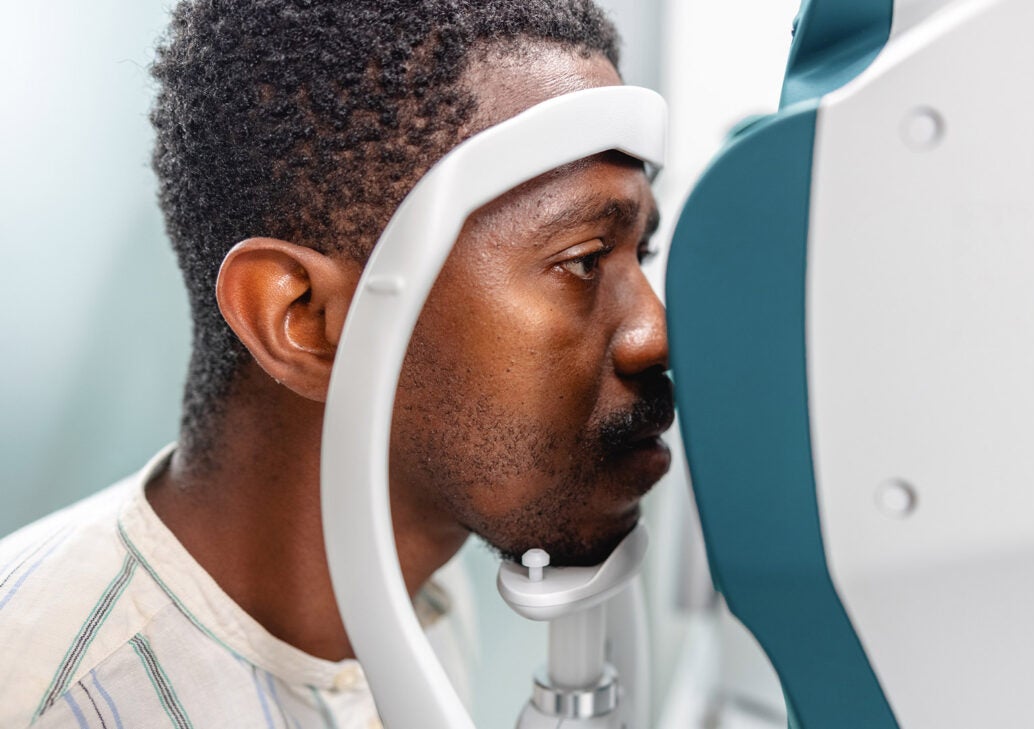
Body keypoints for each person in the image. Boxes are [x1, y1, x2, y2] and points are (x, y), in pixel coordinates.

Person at [0, 0, 673, 726]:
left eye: (644, 254)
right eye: (582, 260)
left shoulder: (425, 608)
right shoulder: (55, 698)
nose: (655, 333)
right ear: (304, 320)